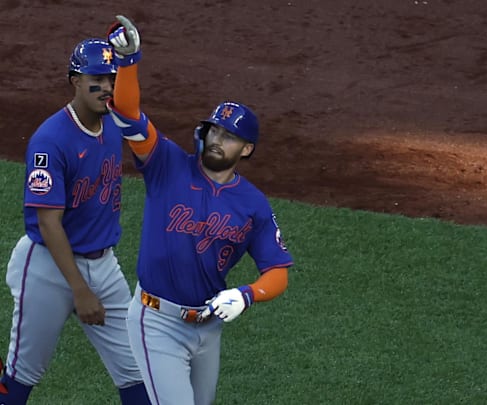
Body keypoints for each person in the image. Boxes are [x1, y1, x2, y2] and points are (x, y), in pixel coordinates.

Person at [105, 15, 294, 405]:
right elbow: (127, 114)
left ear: (247, 150)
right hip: (156, 321)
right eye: (215, 131)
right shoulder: (166, 163)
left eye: (230, 137)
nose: (217, 140)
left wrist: (246, 294)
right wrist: (128, 61)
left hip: (208, 326)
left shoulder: (253, 203)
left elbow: (277, 271)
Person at [0, 38, 150, 404]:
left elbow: (133, 108)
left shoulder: (113, 124)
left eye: (112, 79)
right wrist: (81, 290)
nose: (107, 87)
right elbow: (49, 223)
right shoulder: (50, 140)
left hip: (104, 265)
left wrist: (132, 59)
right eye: (96, 79)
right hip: (48, 267)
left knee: (137, 373)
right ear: (75, 81)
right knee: (21, 376)